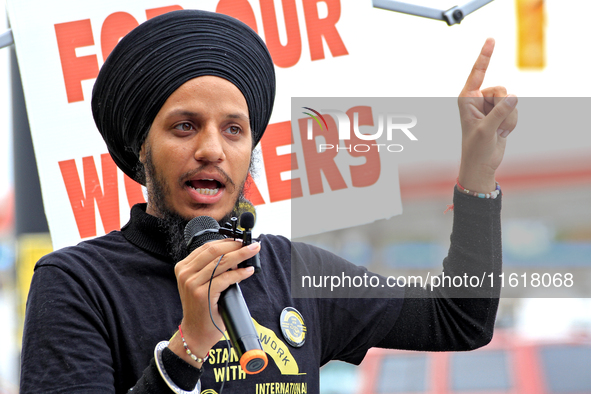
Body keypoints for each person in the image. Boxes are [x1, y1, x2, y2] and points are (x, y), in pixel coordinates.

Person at [19, 9, 517, 394]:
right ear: (141, 150)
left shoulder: (292, 268)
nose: (212, 148)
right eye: (185, 126)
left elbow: (460, 319)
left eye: (234, 130)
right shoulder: (76, 283)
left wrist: (477, 175)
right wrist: (187, 345)